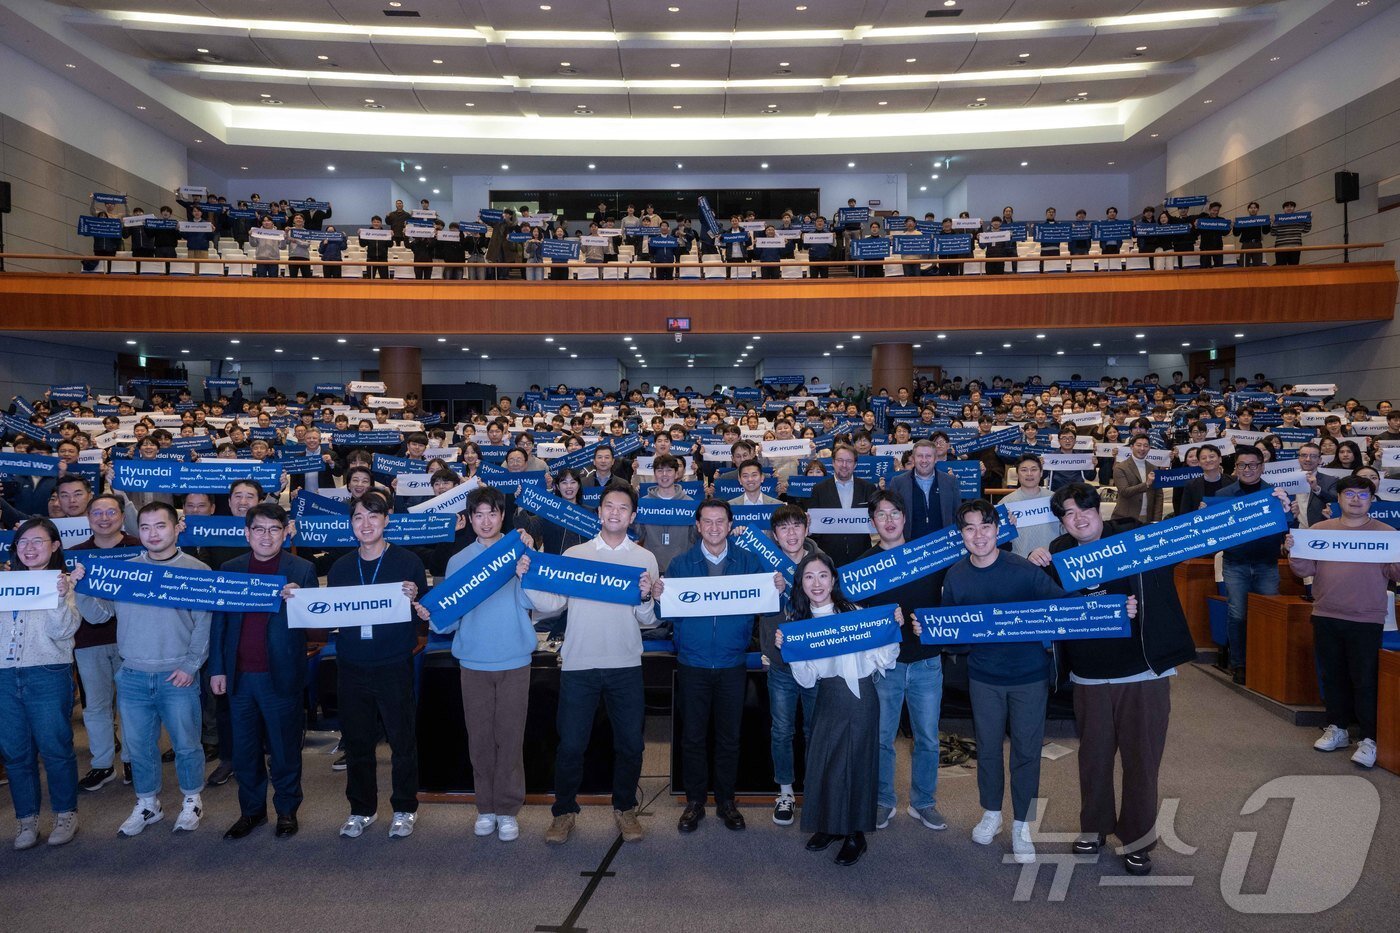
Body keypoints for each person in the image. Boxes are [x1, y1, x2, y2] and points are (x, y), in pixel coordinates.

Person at [1033, 484, 1187, 876]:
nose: (1078, 517)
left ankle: (1137, 839)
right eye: (1067, 513)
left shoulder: (1135, 539)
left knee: (1141, 759)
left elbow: (1198, 537)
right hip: (1088, 676)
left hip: (1141, 671)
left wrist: (1275, 513)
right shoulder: (1059, 553)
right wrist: (1034, 562)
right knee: (1094, 758)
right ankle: (1094, 827)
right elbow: (1050, 604)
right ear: (1062, 520)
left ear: (1097, 510)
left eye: (1083, 508)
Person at [932, 500, 1068, 865]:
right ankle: (991, 812)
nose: (978, 535)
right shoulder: (956, 576)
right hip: (984, 678)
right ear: (961, 535)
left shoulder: (1023, 570)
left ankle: (1022, 824)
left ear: (998, 530)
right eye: (970, 528)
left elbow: (1064, 609)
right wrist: (931, 631)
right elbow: (951, 634)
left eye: (985, 526)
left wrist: (1110, 607)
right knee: (988, 749)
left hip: (1029, 677)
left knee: (1026, 751)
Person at [73, 502, 213, 836]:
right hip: (133, 675)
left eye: (160, 526)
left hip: (177, 675)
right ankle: (148, 804)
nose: (152, 534)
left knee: (187, 744)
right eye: (146, 527)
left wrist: (191, 666)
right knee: (139, 748)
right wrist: (81, 586)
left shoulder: (197, 570)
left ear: (177, 527)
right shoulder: (126, 571)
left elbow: (204, 624)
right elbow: (97, 615)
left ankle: (192, 799)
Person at [415, 487, 541, 842]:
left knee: (511, 739)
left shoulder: (520, 553)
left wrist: (528, 568)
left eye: (492, 514)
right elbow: (449, 618)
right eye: (479, 515)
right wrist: (431, 614)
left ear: (503, 516)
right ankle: (485, 807)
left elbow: (539, 601)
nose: (486, 521)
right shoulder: (458, 561)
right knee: (481, 740)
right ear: (470, 520)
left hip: (515, 659)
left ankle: (508, 809)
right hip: (473, 661)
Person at [656, 499, 783, 834]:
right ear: (698, 526)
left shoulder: (748, 561)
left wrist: (778, 590)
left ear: (730, 525)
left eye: (720, 522)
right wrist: (657, 595)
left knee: (730, 736)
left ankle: (727, 800)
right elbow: (663, 613)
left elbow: (769, 607)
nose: (713, 528)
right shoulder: (681, 564)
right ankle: (695, 801)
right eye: (707, 522)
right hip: (692, 662)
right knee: (693, 736)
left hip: (731, 662)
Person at [316, 492, 427, 839]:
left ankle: (405, 807)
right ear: (351, 525)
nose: (366, 524)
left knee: (402, 740)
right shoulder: (341, 567)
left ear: (386, 520)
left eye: (373, 517)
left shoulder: (408, 562)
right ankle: (362, 809)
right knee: (358, 741)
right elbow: (329, 612)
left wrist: (415, 598)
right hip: (352, 665)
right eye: (358, 518)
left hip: (393, 663)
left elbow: (424, 613)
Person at [778, 552, 900, 867]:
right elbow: (806, 680)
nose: (816, 583)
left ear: (833, 580)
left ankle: (855, 835)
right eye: (808, 577)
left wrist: (890, 630)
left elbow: (885, 660)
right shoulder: (800, 625)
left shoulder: (858, 613)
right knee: (825, 761)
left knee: (857, 764)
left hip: (861, 695)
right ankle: (831, 826)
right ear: (800, 584)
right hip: (828, 696)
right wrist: (790, 650)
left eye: (822, 575)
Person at [208, 504, 318, 840]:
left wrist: (302, 602)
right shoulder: (230, 568)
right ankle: (252, 812)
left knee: (284, 750)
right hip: (239, 677)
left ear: (286, 532)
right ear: (247, 533)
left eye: (274, 529)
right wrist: (217, 670)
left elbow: (317, 625)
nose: (266, 536)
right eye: (259, 529)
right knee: (244, 752)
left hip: (280, 676)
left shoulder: (302, 569)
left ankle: (286, 810)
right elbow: (220, 625)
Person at [1287, 475, 1400, 768]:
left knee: (1365, 680)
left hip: (1367, 618)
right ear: (1338, 499)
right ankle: (1336, 728)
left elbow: (1397, 574)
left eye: (1362, 495)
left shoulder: (1387, 534)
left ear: (1371, 500)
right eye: (1349, 494)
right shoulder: (1320, 529)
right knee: (1332, 675)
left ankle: (1368, 738)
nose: (1355, 500)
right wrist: (1294, 549)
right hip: (1326, 613)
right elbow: (1303, 570)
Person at [861, 491, 947, 833]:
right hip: (886, 665)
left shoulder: (925, 555)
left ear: (904, 517)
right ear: (873, 522)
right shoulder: (866, 564)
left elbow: (950, 598)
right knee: (882, 737)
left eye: (894, 512)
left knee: (927, 737)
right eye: (881, 515)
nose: (889, 520)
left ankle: (924, 802)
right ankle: (884, 800)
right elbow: (856, 617)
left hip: (927, 661)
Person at [0, 519, 82, 849]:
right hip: (5, 675)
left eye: (38, 541)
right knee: (16, 753)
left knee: (55, 748)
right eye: (23, 542)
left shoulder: (61, 583)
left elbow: (64, 632)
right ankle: (26, 820)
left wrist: (61, 598)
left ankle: (65, 814)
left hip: (47, 672)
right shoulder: (4, 582)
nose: (30, 548)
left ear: (55, 546)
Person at [759, 506, 823, 825]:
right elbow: (754, 608)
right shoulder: (765, 562)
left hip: (815, 664)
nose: (792, 533)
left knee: (815, 730)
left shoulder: (821, 562)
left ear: (806, 527)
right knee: (782, 730)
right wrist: (765, 647)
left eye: (797, 525)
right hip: (781, 665)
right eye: (784, 528)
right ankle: (785, 793)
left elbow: (832, 607)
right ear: (775, 534)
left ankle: (814, 791)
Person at [70, 493, 138, 791]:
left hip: (133, 639)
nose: (104, 518)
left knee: (131, 706)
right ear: (89, 518)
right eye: (97, 513)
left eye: (111, 512)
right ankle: (102, 764)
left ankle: (133, 760)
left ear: (122, 516)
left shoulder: (139, 548)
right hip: (89, 641)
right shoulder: (76, 555)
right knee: (96, 707)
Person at [1216, 447, 1296, 683]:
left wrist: (1289, 512)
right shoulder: (1223, 495)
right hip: (1235, 563)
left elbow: (1286, 529)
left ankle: (1267, 662)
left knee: (1269, 614)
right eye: (1242, 465)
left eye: (1253, 465)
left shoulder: (1275, 493)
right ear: (1236, 467)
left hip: (1267, 564)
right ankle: (1239, 664)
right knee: (1237, 614)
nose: (1247, 469)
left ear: (1262, 467)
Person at [808, 444, 877, 567]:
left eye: (849, 461)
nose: (844, 465)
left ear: (855, 464)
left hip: (862, 555)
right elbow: (815, 528)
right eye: (840, 460)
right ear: (833, 463)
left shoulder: (868, 488)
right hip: (828, 557)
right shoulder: (819, 489)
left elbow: (875, 521)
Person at [888, 438, 962, 540]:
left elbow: (957, 515)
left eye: (928, 456)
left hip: (943, 545)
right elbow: (893, 517)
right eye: (919, 456)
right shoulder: (897, 482)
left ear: (935, 459)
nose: (924, 460)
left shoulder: (950, 482)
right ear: (913, 459)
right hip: (909, 546)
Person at [1001, 454, 1060, 558]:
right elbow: (1000, 540)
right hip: (1021, 563)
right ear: (1017, 474)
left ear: (1041, 473)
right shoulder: (1005, 504)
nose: (1029, 474)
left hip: (1053, 561)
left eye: (1034, 469)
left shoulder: (1055, 499)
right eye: (1024, 470)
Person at [1112, 435, 1163, 522]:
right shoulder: (1120, 467)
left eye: (1146, 446)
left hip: (1147, 517)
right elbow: (1124, 492)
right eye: (1139, 445)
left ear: (1149, 448)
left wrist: (1156, 520)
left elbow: (1159, 496)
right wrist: (1146, 484)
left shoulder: (1154, 468)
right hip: (1125, 517)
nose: (1142, 449)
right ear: (1132, 447)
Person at [1272, 199, 1310, 266]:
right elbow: (1273, 233)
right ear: (1283, 209)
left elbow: (1306, 230)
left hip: (1295, 247)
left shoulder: (1299, 219)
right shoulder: (1278, 219)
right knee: (1281, 269)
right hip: (1281, 248)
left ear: (1294, 208)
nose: (1289, 208)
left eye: (1291, 206)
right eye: (1287, 207)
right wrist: (1274, 222)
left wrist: (1308, 220)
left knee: (1294, 268)